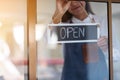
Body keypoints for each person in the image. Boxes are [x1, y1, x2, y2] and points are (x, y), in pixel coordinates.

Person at [51, 0, 109, 80]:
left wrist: (107, 47)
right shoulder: (63, 26)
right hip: (71, 76)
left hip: (97, 76)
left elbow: (116, 54)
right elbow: (46, 39)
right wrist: (59, 12)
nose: (74, 3)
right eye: (68, 1)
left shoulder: (103, 22)